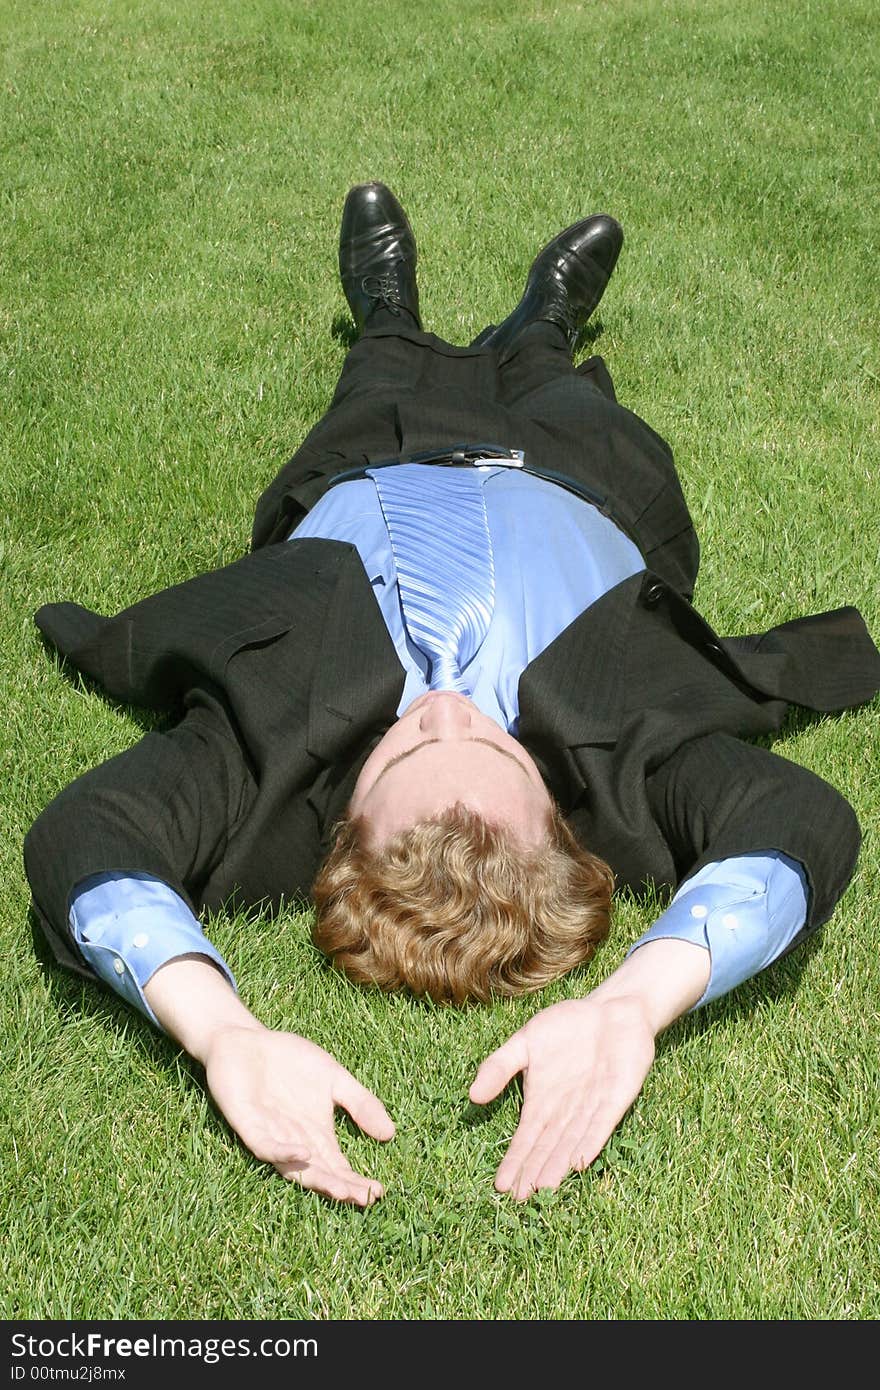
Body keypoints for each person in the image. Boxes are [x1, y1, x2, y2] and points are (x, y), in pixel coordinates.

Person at [24, 183, 880, 1208]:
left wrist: (224, 1032)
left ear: (341, 825)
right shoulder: (632, 773)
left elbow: (89, 837)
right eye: (495, 748)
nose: (445, 709)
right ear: (562, 818)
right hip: (577, 469)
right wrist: (630, 1010)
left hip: (372, 451)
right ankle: (544, 327)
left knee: (375, 371)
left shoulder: (257, 768)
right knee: (553, 383)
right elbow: (801, 821)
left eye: (406, 750)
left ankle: (386, 310)